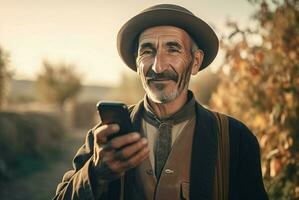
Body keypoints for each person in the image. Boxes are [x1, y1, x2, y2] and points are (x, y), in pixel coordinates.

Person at [53, 4, 268, 200]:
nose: (158, 67)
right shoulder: (105, 138)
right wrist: (96, 172)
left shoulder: (236, 139)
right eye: (147, 51)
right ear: (137, 64)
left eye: (173, 49)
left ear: (196, 62)